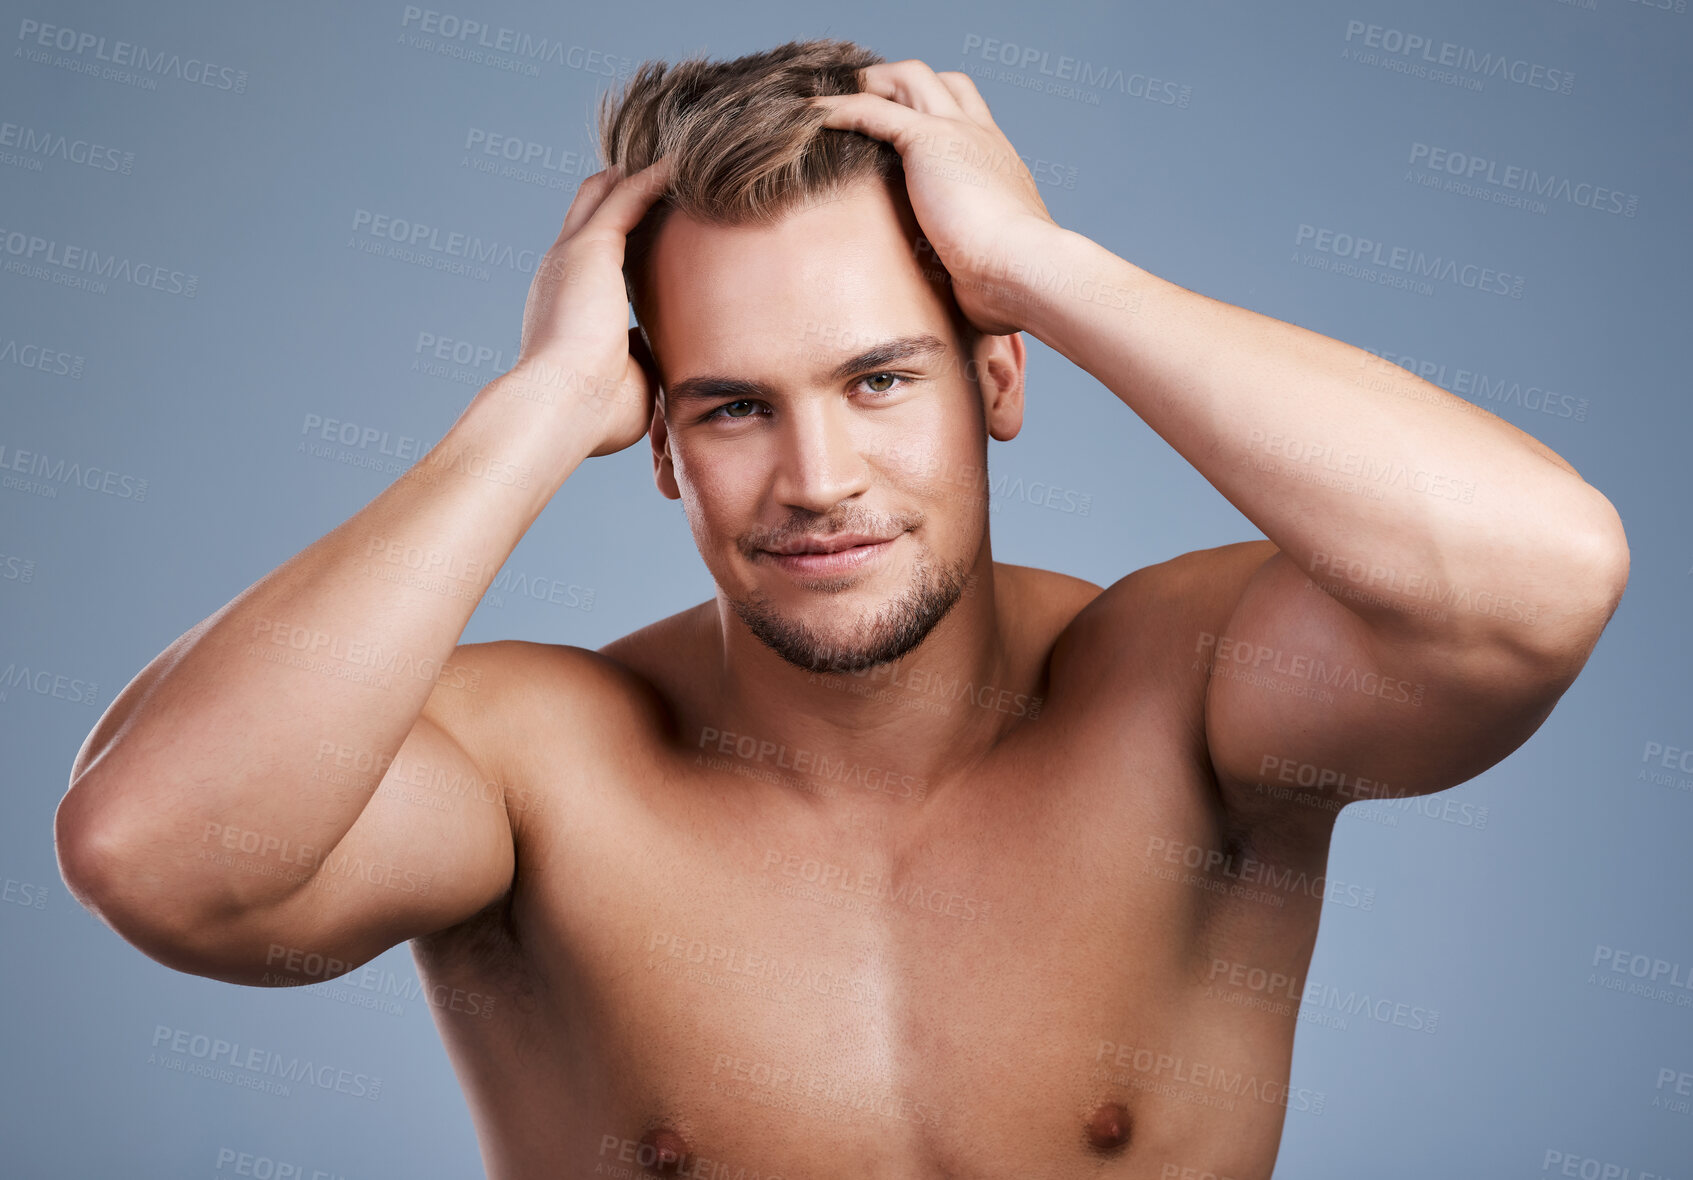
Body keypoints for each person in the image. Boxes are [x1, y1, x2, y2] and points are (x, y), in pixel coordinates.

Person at [54, 37, 1628, 1179]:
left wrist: (1031, 262)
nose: (817, 477)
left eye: (880, 378)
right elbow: (161, 857)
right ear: (658, 441)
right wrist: (529, 410)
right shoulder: (538, 768)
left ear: (995, 375)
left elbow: (1531, 579)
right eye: (731, 407)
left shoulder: (1182, 695)